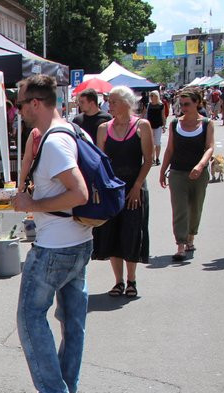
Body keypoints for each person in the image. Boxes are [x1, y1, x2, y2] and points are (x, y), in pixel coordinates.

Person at [11, 74, 92, 393]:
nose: (18, 110)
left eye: (20, 103)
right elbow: (29, 184)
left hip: (56, 245)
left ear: (35, 103)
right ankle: (65, 388)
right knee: (72, 319)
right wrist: (29, 157)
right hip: (79, 240)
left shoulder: (56, 143)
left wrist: (33, 206)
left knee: (30, 316)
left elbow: (79, 193)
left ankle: (53, 392)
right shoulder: (73, 131)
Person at [92, 86, 153, 298]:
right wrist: (99, 187)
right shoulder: (103, 128)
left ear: (127, 103)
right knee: (111, 234)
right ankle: (118, 281)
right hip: (111, 189)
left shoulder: (141, 126)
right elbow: (100, 161)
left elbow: (148, 161)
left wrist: (137, 187)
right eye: (109, 101)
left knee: (132, 232)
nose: (110, 104)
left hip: (134, 188)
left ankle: (131, 280)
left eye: (114, 101)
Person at [160, 87, 215, 261]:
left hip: (199, 173)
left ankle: (191, 236)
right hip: (177, 172)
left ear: (197, 103)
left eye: (187, 104)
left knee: (195, 207)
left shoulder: (206, 123)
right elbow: (169, 149)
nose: (184, 108)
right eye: (181, 104)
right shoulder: (175, 124)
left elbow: (210, 148)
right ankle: (181, 245)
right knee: (179, 208)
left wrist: (200, 165)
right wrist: (162, 171)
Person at [145, 90, 166, 165]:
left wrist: (164, 125)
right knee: (151, 142)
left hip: (158, 125)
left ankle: (157, 158)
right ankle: (152, 158)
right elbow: (146, 115)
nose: (151, 97)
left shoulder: (161, 105)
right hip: (150, 125)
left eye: (152, 95)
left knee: (157, 142)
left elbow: (163, 116)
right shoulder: (149, 105)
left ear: (157, 96)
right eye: (151, 96)